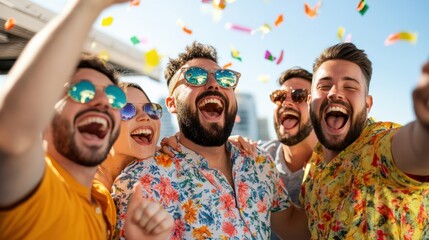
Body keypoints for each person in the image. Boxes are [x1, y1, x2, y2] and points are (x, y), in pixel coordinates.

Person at [0, 0, 172, 239]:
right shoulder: (33, 184)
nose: (103, 101)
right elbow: (13, 130)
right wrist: (88, 6)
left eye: (114, 97)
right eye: (82, 92)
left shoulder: (103, 205)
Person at [113, 42, 310, 239]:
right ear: (172, 103)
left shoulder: (258, 161)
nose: (214, 84)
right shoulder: (141, 183)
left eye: (224, 78)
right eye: (195, 77)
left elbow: (292, 225)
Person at [302, 42, 429, 239]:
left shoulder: (379, 147)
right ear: (310, 102)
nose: (334, 92)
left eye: (350, 86)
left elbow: (416, 148)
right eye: (324, 85)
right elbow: (302, 226)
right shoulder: (313, 165)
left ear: (367, 104)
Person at [262, 67, 318, 205]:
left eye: (298, 95)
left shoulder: (337, 169)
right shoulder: (255, 157)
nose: (286, 102)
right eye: (279, 96)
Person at [95, 82, 163, 190]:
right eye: (127, 110)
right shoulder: (80, 181)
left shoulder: (171, 164)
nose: (145, 116)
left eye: (151, 109)